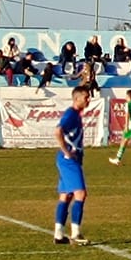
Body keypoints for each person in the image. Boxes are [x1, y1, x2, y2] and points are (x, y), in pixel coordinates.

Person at [53, 85, 95, 246]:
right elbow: (58, 131)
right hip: (68, 160)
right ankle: (76, 234)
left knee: (66, 195)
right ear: (77, 98)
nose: (88, 100)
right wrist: (67, 151)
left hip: (66, 160)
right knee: (80, 194)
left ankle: (58, 234)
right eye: (86, 97)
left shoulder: (76, 114)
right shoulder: (71, 114)